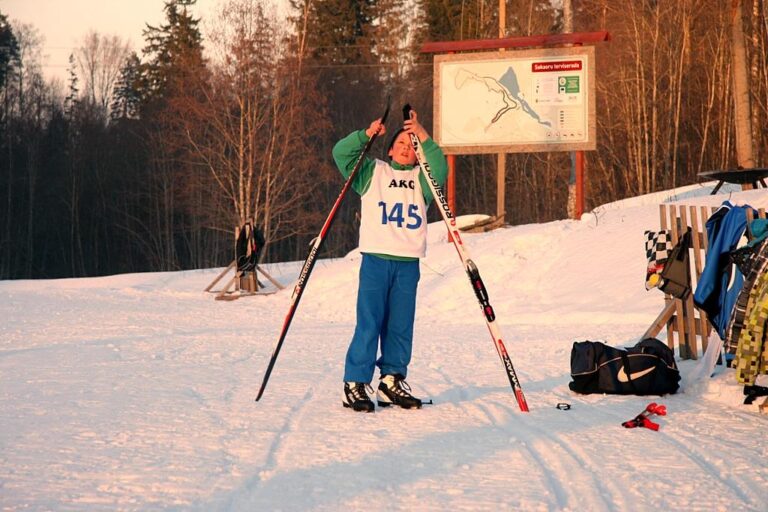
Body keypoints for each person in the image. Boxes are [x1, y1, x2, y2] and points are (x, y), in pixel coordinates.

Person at [332, 107, 448, 412]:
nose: (406, 149)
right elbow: (341, 154)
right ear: (390, 149)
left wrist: (421, 132)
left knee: (400, 325)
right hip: (376, 261)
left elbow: (440, 166)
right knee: (369, 322)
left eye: (411, 147)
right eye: (401, 144)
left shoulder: (423, 181)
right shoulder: (373, 172)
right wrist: (366, 134)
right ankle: (355, 383)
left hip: (408, 263)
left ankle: (391, 380)